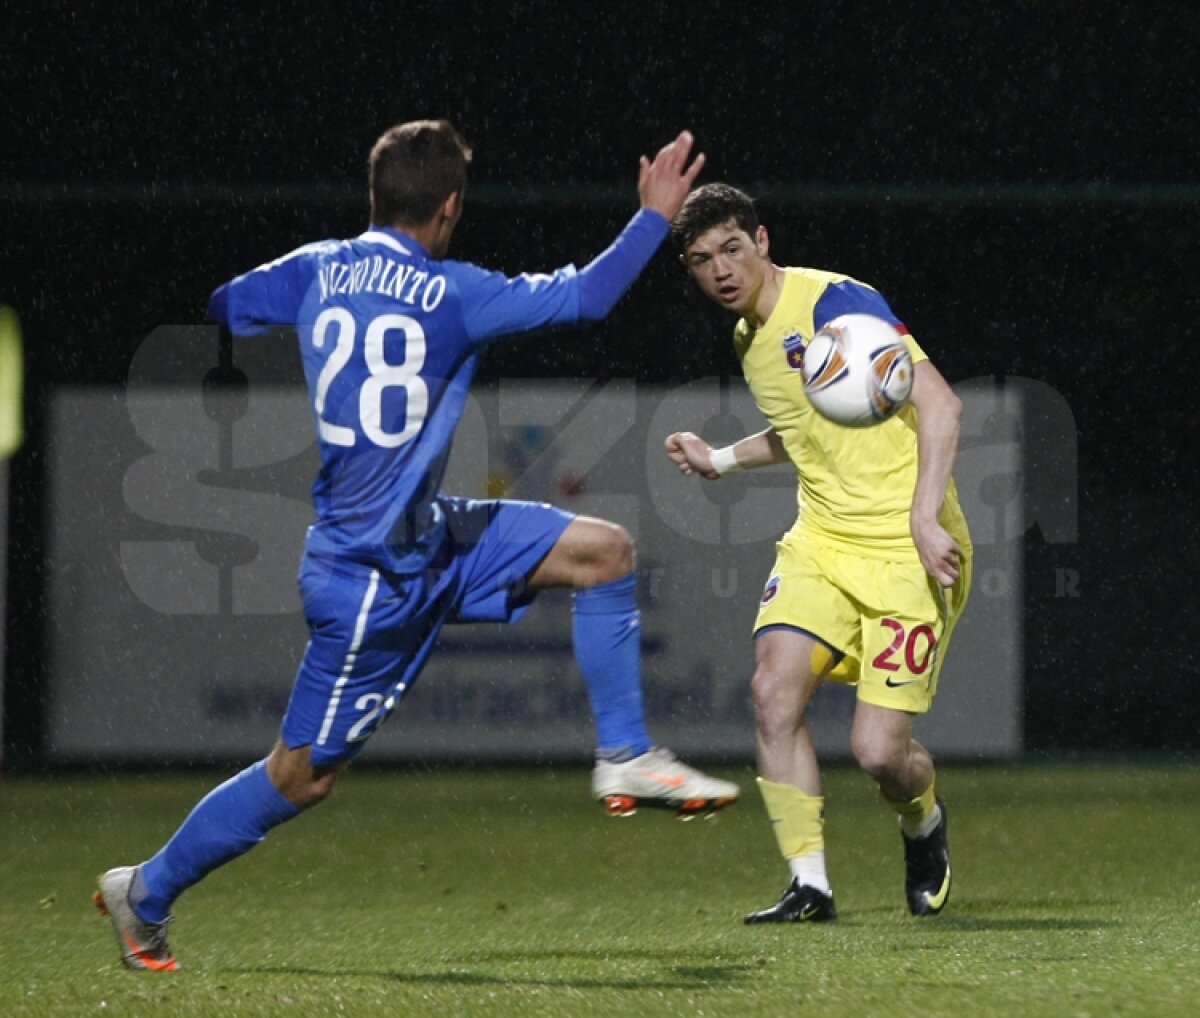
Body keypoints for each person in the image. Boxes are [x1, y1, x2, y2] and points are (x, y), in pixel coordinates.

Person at [94, 121, 739, 971]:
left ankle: (625, 756)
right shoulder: (453, 292)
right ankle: (142, 892)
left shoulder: (319, 269)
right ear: (449, 206)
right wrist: (654, 217)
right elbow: (585, 297)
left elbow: (227, 304)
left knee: (603, 551)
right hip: (370, 578)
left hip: (428, 538)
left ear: (373, 197)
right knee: (301, 776)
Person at [664, 183, 971, 923]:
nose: (722, 270)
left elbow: (941, 403)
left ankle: (922, 822)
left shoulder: (837, 303)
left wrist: (926, 517)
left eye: (733, 248)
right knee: (773, 694)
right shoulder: (747, 338)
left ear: (763, 241)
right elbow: (801, 427)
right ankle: (811, 886)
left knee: (879, 754)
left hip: (907, 548)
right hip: (823, 543)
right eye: (703, 260)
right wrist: (721, 461)